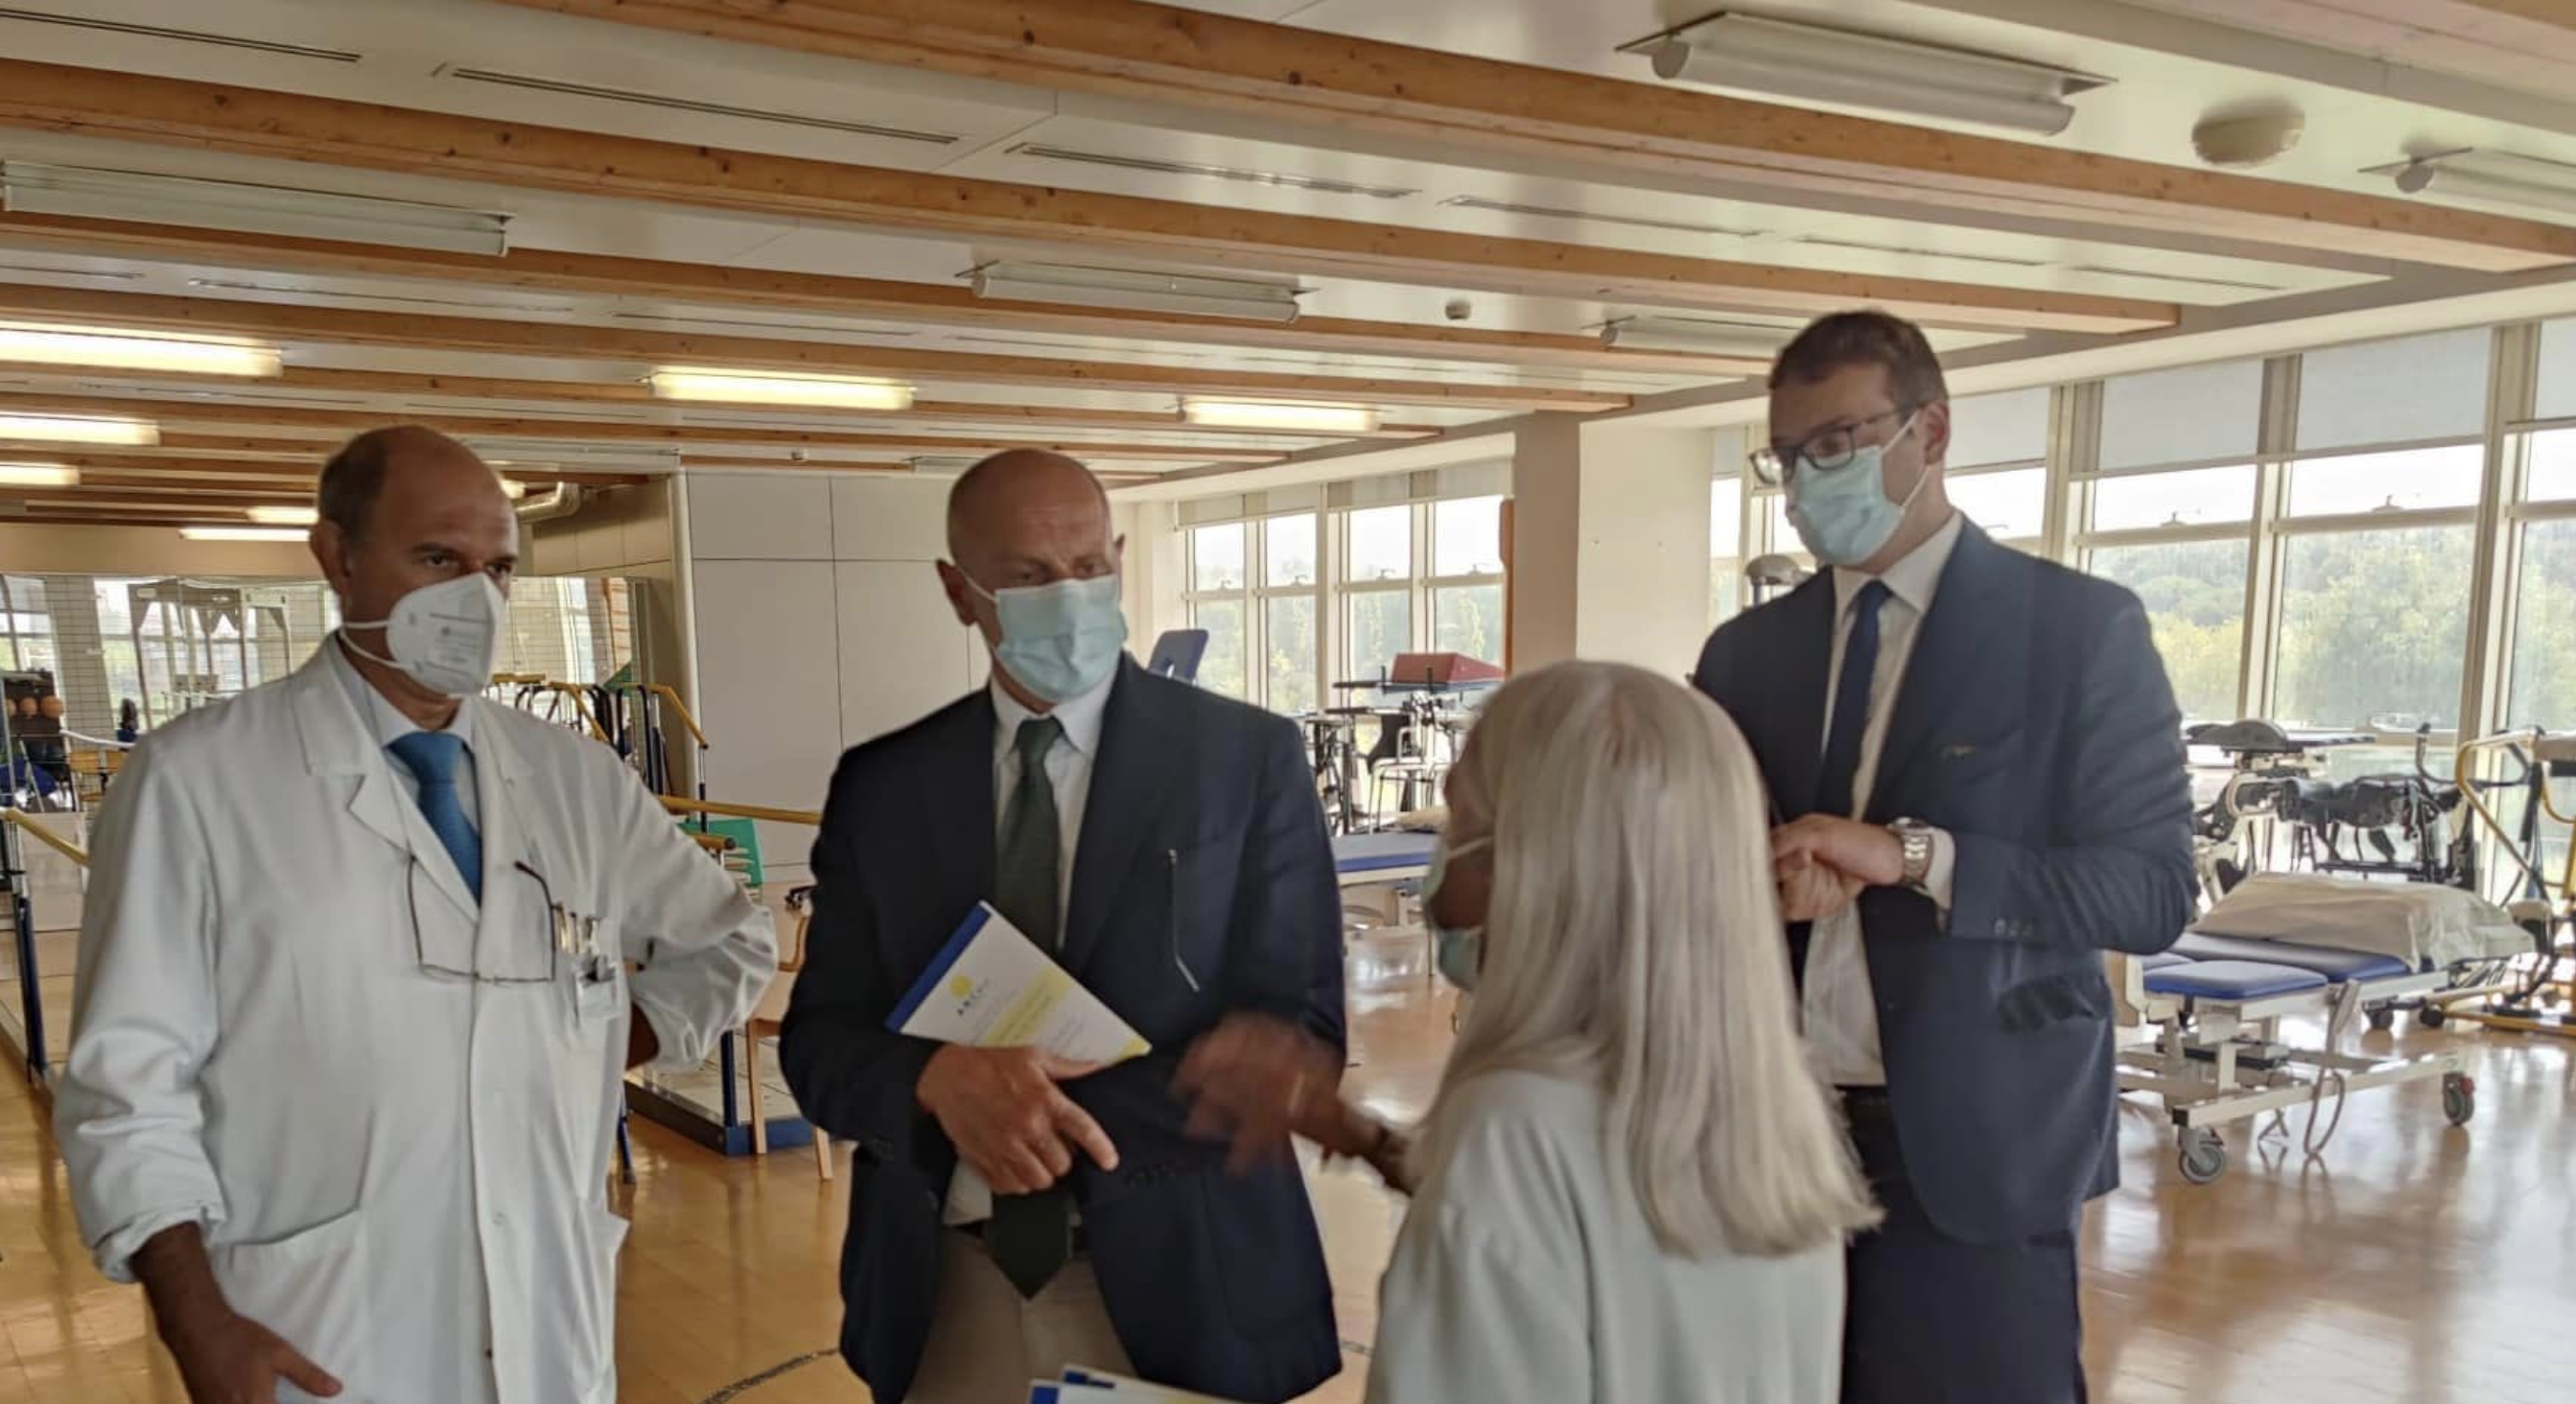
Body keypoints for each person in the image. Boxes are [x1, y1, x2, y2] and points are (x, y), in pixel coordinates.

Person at [56, 425, 777, 1404]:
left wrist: (591, 1044)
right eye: (438, 559)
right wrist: (196, 1322)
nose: (473, 599)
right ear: (337, 557)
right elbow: (127, 1086)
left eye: (498, 569)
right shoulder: (198, 781)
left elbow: (731, 940)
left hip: (545, 1314)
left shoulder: (574, 778)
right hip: (319, 1323)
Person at [1692, 311, 2196, 1403]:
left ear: (1930, 433)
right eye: (1787, 455)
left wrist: (1914, 857)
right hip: (1772, 1134)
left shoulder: (2074, 633)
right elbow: (1696, 867)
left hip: (1977, 1141)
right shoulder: (1745, 656)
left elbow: (2149, 892)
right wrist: (1754, 885)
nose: (1808, 478)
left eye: (1837, 442)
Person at [784, 449, 1346, 1404]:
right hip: (949, 1290)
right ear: (959, 592)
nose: (1070, 597)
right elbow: (819, 1044)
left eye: (1088, 566)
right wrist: (934, 1081)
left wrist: (1034, 1113)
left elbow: (1304, 1030)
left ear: (1119, 558)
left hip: (1187, 1281)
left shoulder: (1244, 761)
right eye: (1030, 576)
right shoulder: (886, 789)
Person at [1209, 663, 1875, 1402]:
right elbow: (1598, 1238)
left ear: (1528, 865)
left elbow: (1524, 1198)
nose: (1439, 867)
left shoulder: (1511, 1129)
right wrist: (1363, 1138)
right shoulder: (1771, 1111)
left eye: (1458, 825)